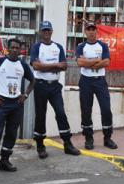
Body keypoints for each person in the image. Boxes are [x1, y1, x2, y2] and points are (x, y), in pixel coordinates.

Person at [0, 38, 35, 178]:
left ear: (20, 50)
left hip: (17, 104)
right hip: (2, 103)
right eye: (13, 47)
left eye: (18, 48)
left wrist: (25, 95)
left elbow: (33, 80)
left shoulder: (22, 65)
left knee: (11, 134)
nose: (15, 50)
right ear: (8, 48)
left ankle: (4, 161)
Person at [30, 21, 80, 159]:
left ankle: (67, 143)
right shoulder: (36, 47)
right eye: (44, 30)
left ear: (51, 31)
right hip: (40, 85)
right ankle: (40, 145)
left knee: (61, 113)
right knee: (40, 115)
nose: (46, 32)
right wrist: (55, 65)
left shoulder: (58, 47)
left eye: (48, 30)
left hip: (54, 86)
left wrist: (45, 65)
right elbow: (36, 66)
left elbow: (64, 66)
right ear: (40, 32)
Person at [76, 21, 118, 150]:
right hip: (86, 82)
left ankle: (107, 138)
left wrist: (88, 62)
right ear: (85, 32)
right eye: (89, 29)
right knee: (86, 110)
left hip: (100, 81)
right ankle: (89, 138)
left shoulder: (103, 46)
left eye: (93, 29)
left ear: (96, 31)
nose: (91, 31)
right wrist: (96, 61)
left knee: (106, 109)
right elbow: (80, 62)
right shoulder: (81, 46)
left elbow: (106, 62)